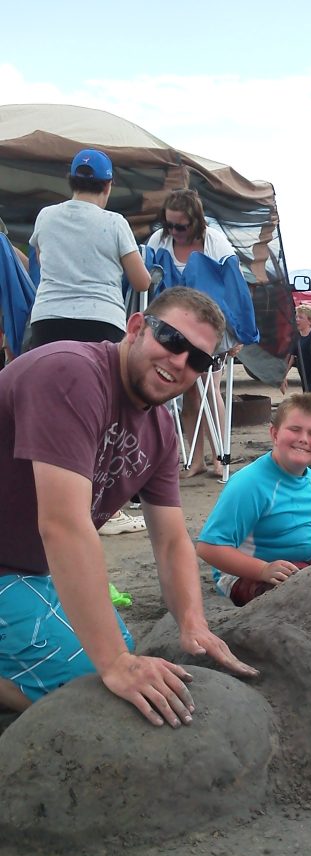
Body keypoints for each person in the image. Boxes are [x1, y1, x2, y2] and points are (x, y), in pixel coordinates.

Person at [0, 286, 256, 721]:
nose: (180, 362)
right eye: (172, 340)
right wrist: (114, 664)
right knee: (89, 681)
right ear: (136, 327)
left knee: (121, 649)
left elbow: (172, 540)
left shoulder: (159, 429)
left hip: (28, 568)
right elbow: (63, 524)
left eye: (198, 360)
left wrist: (192, 622)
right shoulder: (72, 374)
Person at [196, 393, 311, 607]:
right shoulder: (250, 484)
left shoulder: (309, 478)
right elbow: (209, 547)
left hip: (300, 563)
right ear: (274, 434)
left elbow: (296, 518)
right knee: (298, 590)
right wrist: (262, 570)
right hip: (249, 574)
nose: (303, 439)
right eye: (295, 429)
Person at [147, 188, 238, 477]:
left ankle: (220, 457)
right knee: (187, 393)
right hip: (174, 328)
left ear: (196, 222)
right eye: (169, 224)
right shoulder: (159, 240)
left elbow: (234, 289)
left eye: (181, 226)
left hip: (209, 328)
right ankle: (196, 460)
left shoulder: (215, 243)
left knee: (210, 388)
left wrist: (235, 335)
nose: (174, 231)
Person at [28, 149, 151, 347]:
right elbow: (142, 282)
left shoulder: (46, 216)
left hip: (48, 318)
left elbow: (42, 261)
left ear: (71, 180)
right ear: (108, 185)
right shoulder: (115, 223)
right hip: (101, 320)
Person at [281, 303, 311, 393]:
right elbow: (291, 357)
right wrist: (283, 376)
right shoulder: (297, 337)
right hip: (304, 376)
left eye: (301, 317)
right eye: (296, 317)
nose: (297, 320)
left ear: (309, 321)